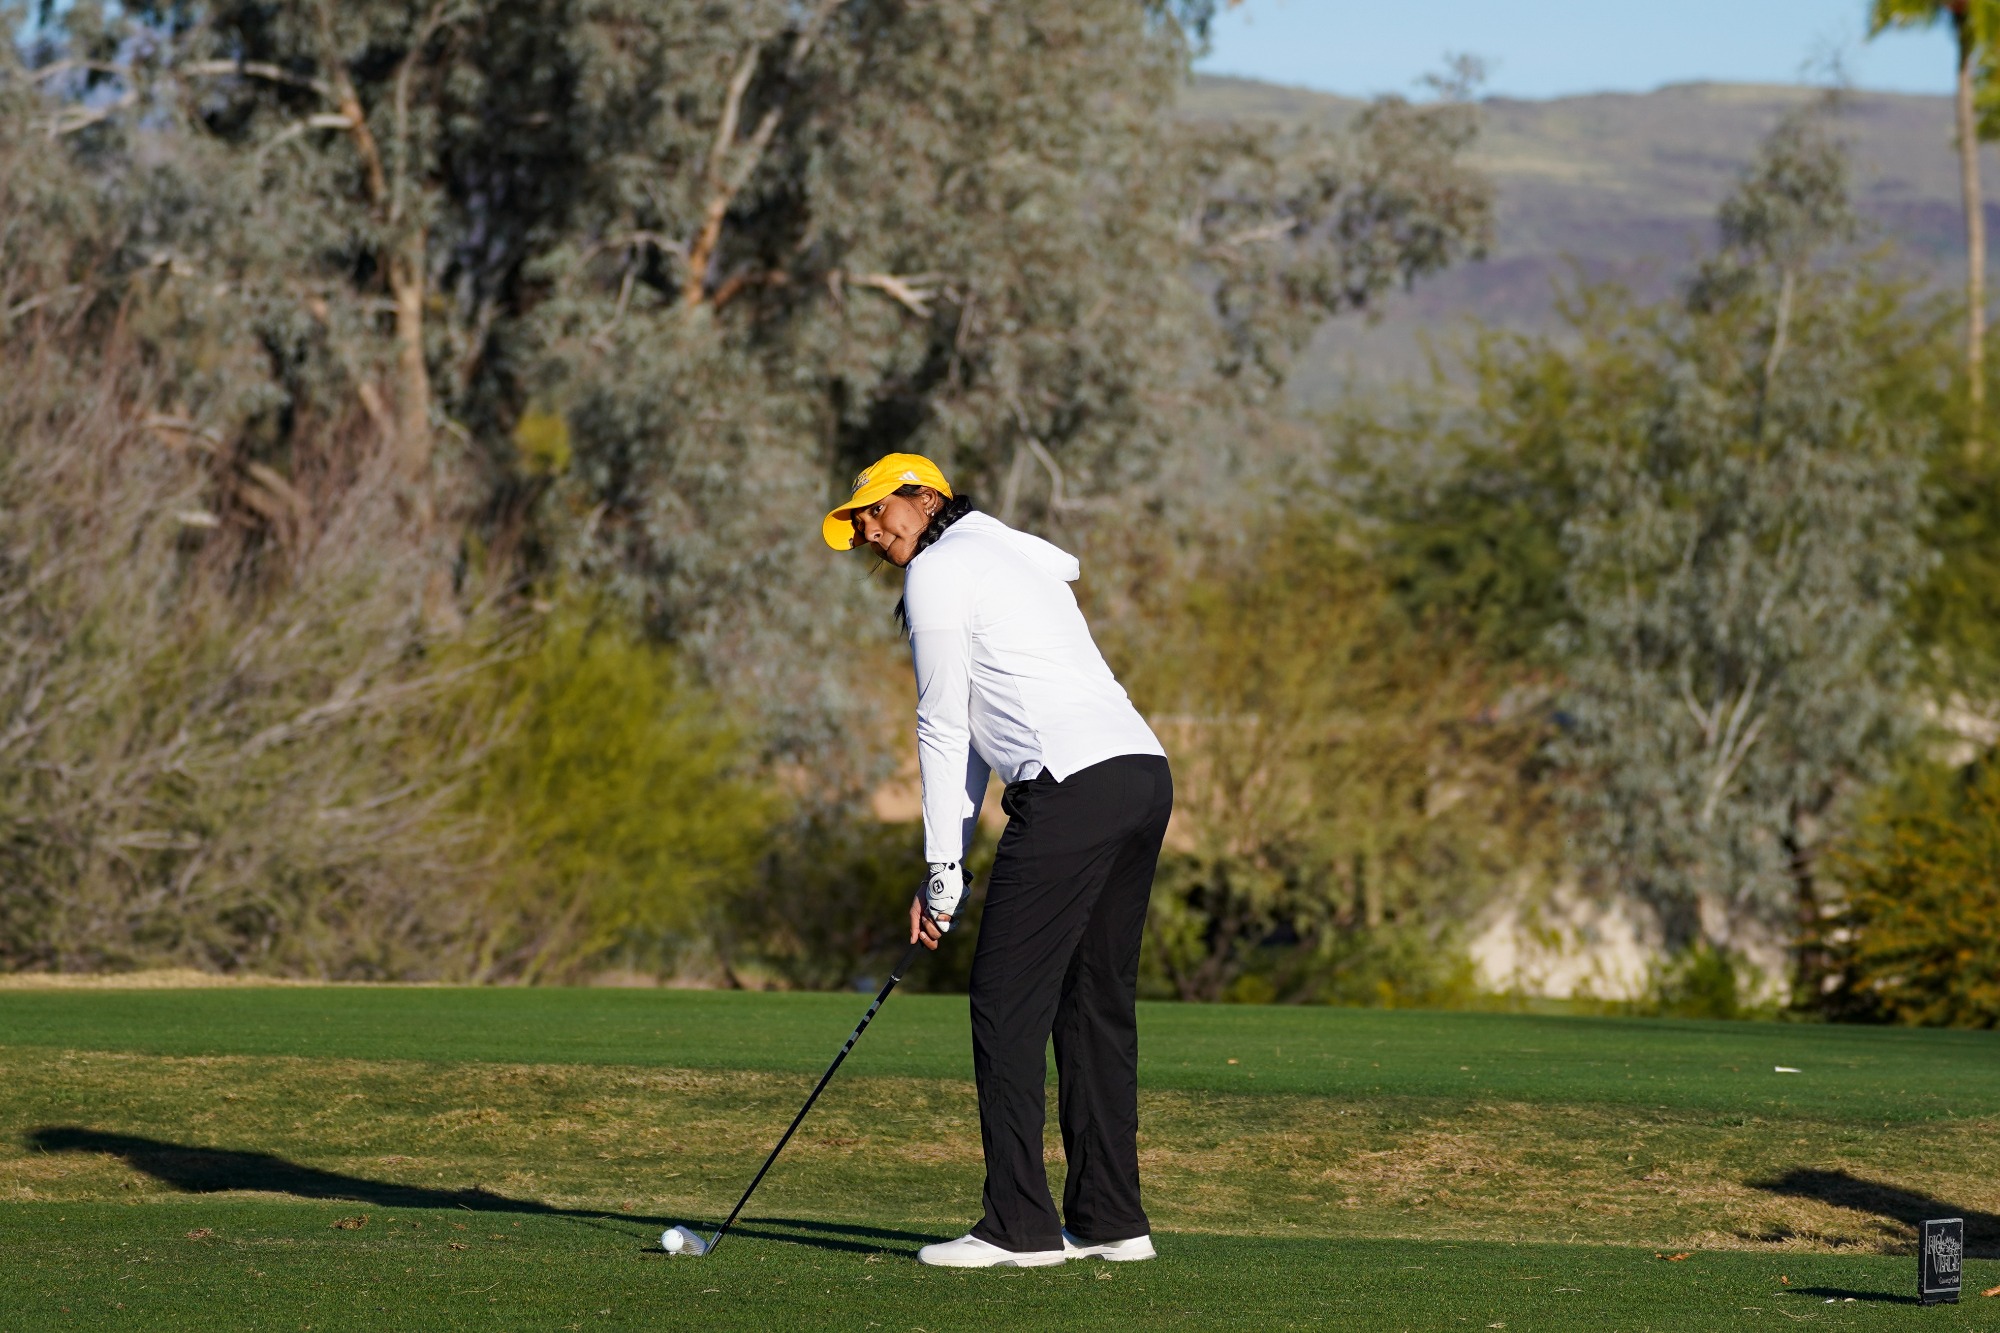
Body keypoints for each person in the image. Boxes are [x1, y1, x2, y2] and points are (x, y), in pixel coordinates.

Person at [821, 452, 1173, 1269]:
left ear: (926, 496)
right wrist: (951, 860)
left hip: (1073, 789)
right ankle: (1112, 1218)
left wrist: (943, 864)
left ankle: (1018, 1226)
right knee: (1092, 1000)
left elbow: (941, 723)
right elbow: (978, 726)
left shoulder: (939, 572)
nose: (873, 530)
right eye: (862, 522)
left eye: (880, 510)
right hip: (1140, 776)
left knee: (1006, 996)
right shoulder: (1007, 552)